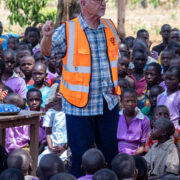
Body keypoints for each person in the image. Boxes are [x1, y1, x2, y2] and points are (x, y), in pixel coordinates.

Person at [41, 0, 121, 177]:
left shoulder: (110, 26)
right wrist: (46, 37)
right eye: (98, 0)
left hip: (108, 102)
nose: (103, 3)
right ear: (83, 3)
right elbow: (47, 52)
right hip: (79, 106)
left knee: (109, 154)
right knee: (81, 158)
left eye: (104, 0)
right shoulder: (67, 30)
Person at [117, 88, 150, 155]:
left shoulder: (144, 119)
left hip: (136, 154)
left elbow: (144, 144)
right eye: (127, 101)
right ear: (122, 102)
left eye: (133, 101)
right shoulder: (117, 118)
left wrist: (134, 155)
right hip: (117, 152)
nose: (130, 104)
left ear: (136, 101)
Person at [38, 88, 68, 164]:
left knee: (64, 162)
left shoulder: (70, 112)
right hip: (53, 147)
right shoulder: (51, 112)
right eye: (58, 91)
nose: (59, 94)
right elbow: (48, 132)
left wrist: (64, 147)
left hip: (67, 147)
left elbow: (73, 132)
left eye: (62, 92)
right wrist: (51, 147)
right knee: (40, 161)